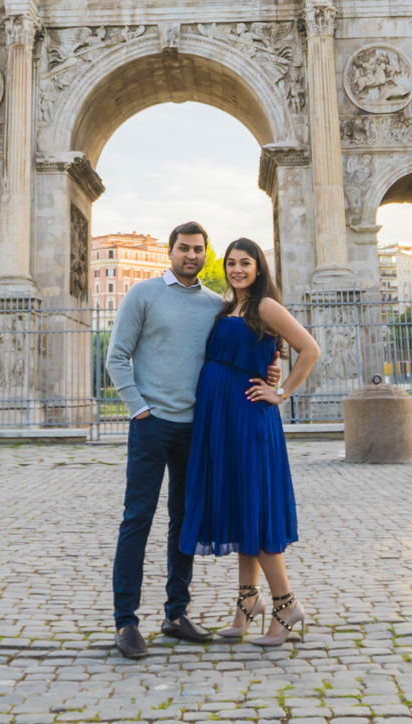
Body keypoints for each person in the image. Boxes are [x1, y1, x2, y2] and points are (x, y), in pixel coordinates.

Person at [106, 221, 279, 659]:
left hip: (197, 428)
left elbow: (239, 348)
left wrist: (271, 373)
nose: (191, 255)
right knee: (137, 521)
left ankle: (176, 614)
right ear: (170, 251)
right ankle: (126, 621)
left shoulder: (214, 305)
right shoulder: (143, 294)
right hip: (151, 424)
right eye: (184, 248)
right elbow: (117, 356)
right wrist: (138, 408)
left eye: (199, 250)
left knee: (184, 522)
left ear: (206, 254)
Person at [179, 237, 321, 646]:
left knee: (255, 513)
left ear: (259, 268)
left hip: (248, 419)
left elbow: (309, 349)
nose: (237, 269)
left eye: (246, 263)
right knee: (243, 511)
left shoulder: (265, 306)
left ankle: (286, 604)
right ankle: (247, 604)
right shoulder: (229, 308)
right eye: (232, 263)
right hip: (220, 419)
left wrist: (282, 392)